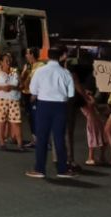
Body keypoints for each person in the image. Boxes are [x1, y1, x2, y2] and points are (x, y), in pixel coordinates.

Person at [25, 46, 75, 179]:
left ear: (48, 56)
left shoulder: (40, 71)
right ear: (60, 56)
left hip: (44, 105)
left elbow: (33, 90)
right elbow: (71, 93)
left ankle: (40, 169)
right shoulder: (65, 73)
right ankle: (62, 169)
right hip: (60, 106)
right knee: (59, 138)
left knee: (42, 138)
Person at [0, 53, 24, 150]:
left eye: (9, 60)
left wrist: (13, 87)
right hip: (1, 100)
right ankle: (2, 142)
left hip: (14, 99)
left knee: (16, 121)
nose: (8, 62)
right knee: (2, 121)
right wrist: (2, 87)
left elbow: (22, 85)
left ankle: (20, 143)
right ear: (1, 62)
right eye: (6, 60)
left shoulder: (15, 72)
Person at [19, 47, 44, 148]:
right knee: (30, 117)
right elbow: (21, 80)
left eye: (27, 53)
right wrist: (24, 73)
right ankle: (35, 139)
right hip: (26, 93)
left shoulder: (41, 66)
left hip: (36, 95)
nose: (26, 55)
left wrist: (37, 93)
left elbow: (42, 81)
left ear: (32, 54)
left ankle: (42, 140)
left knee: (37, 117)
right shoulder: (27, 66)